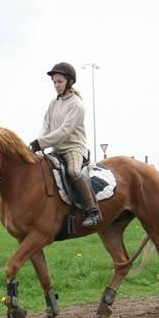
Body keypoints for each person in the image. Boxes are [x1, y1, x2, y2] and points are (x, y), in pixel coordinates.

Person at [30, 62, 101, 226]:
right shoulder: (53, 103)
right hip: (56, 149)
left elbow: (64, 132)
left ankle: (93, 210)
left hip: (74, 149)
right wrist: (38, 146)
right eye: (54, 82)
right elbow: (45, 126)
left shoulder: (77, 104)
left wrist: (39, 143)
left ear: (69, 82)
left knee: (74, 171)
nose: (56, 85)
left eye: (59, 82)